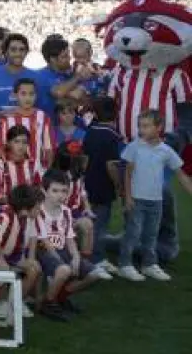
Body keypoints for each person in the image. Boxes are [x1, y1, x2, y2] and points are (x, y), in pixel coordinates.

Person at [118, 109, 192, 281]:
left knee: (151, 234)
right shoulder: (134, 147)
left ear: (159, 127)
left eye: (146, 126)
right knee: (133, 234)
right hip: (137, 199)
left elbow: (181, 174)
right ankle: (124, 265)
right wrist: (128, 197)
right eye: (140, 126)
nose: (141, 130)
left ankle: (149, 264)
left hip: (156, 201)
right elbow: (127, 173)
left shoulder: (166, 151)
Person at [34, 170, 102, 321]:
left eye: (64, 191)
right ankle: (48, 303)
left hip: (62, 250)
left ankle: (60, 296)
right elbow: (44, 241)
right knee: (64, 269)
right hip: (43, 251)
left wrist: (76, 258)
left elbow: (70, 239)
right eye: (55, 191)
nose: (60, 195)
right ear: (44, 191)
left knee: (95, 274)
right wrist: (61, 261)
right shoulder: (39, 211)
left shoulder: (66, 211)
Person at [82, 97, 124, 276]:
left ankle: (92, 256)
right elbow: (111, 165)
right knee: (100, 224)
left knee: (91, 222)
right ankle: (96, 260)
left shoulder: (90, 132)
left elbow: (84, 160)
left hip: (88, 183)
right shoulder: (113, 136)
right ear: (115, 113)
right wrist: (119, 185)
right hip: (103, 185)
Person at [0, 184, 43, 320]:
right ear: (25, 208)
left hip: (13, 256)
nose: (39, 210)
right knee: (3, 268)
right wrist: (0, 258)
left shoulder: (24, 218)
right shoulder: (6, 216)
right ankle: (2, 303)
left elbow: (22, 242)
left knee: (34, 267)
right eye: (37, 207)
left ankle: (16, 302)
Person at [51, 141, 102, 276]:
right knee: (86, 225)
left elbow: (82, 193)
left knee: (89, 224)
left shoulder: (77, 175)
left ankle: (86, 262)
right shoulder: (57, 177)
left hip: (75, 212)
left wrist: (88, 208)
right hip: (60, 215)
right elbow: (54, 203)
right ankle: (84, 264)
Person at [0, 78, 54, 166]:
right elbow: (0, 147)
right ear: (15, 95)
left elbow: (49, 147)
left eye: (31, 94)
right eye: (23, 94)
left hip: (38, 170)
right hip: (11, 170)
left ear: (36, 95)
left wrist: (49, 169)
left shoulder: (43, 117)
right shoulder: (6, 119)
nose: (28, 98)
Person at [0, 33, 36, 116]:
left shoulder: (35, 77)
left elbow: (39, 109)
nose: (18, 54)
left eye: (22, 50)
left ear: (26, 52)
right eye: (13, 50)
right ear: (5, 52)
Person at [34, 36, 91, 116]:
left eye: (69, 54)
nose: (69, 58)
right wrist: (79, 76)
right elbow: (59, 92)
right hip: (49, 122)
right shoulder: (41, 76)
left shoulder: (69, 75)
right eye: (65, 56)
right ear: (53, 59)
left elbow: (82, 99)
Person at [0, 125, 45, 192]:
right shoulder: (0, 165)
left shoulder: (34, 165)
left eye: (24, 142)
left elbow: (41, 189)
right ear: (8, 143)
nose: (21, 146)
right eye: (16, 141)